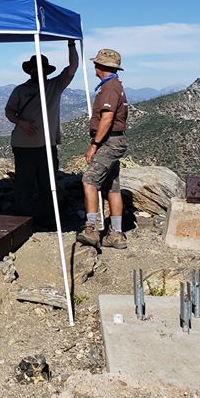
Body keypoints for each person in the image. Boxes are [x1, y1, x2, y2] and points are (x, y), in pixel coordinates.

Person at [4, 40, 78, 227]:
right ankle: (22, 222)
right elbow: (9, 111)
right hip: (24, 146)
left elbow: (73, 67)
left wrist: (71, 45)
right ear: (31, 71)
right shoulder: (21, 90)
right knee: (24, 186)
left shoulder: (55, 86)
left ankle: (48, 220)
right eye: (35, 69)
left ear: (46, 70)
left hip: (47, 145)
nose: (38, 71)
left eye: (41, 68)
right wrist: (22, 123)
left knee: (48, 185)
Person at [77, 48, 129, 249]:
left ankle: (90, 228)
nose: (94, 67)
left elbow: (107, 118)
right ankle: (116, 234)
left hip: (108, 142)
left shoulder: (109, 88)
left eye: (96, 64)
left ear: (102, 66)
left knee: (89, 180)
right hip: (116, 141)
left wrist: (94, 144)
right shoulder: (115, 85)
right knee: (112, 187)